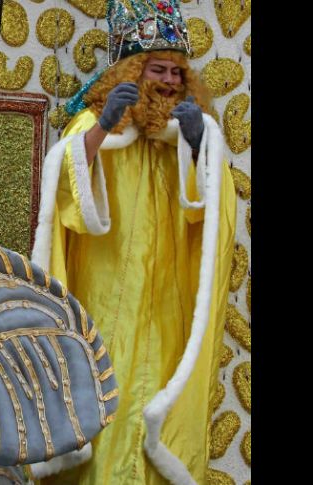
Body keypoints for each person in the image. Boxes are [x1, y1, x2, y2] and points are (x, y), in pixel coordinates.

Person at [32, 1, 236, 483]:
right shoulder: (92, 126)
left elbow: (212, 218)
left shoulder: (194, 133)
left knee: (159, 397)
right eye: (156, 69)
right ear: (130, 71)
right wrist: (104, 129)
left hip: (167, 302)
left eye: (175, 72)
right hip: (104, 301)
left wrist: (197, 147)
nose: (167, 81)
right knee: (107, 393)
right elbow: (66, 198)